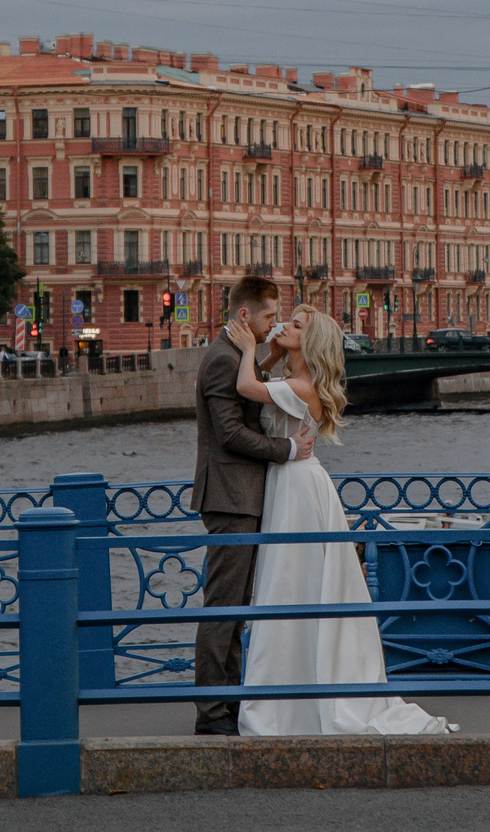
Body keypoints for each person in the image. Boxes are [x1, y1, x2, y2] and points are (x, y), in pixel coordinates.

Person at [223, 305, 450, 737]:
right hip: (291, 483)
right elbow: (267, 383)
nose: (284, 326)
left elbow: (247, 386)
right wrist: (270, 351)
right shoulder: (296, 381)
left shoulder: (303, 386)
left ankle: (284, 706)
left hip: (297, 488)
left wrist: (251, 346)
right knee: (295, 584)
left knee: (290, 584)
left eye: (296, 325)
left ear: (312, 342)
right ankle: (292, 695)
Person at [191, 275, 312, 736]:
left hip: (240, 496)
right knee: (222, 606)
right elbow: (229, 433)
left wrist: (269, 354)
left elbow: (252, 389)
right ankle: (211, 711)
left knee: (236, 605)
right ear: (245, 315)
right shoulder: (222, 360)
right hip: (230, 497)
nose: (273, 323)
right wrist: (285, 450)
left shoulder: (233, 355)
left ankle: (229, 700)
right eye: (267, 316)